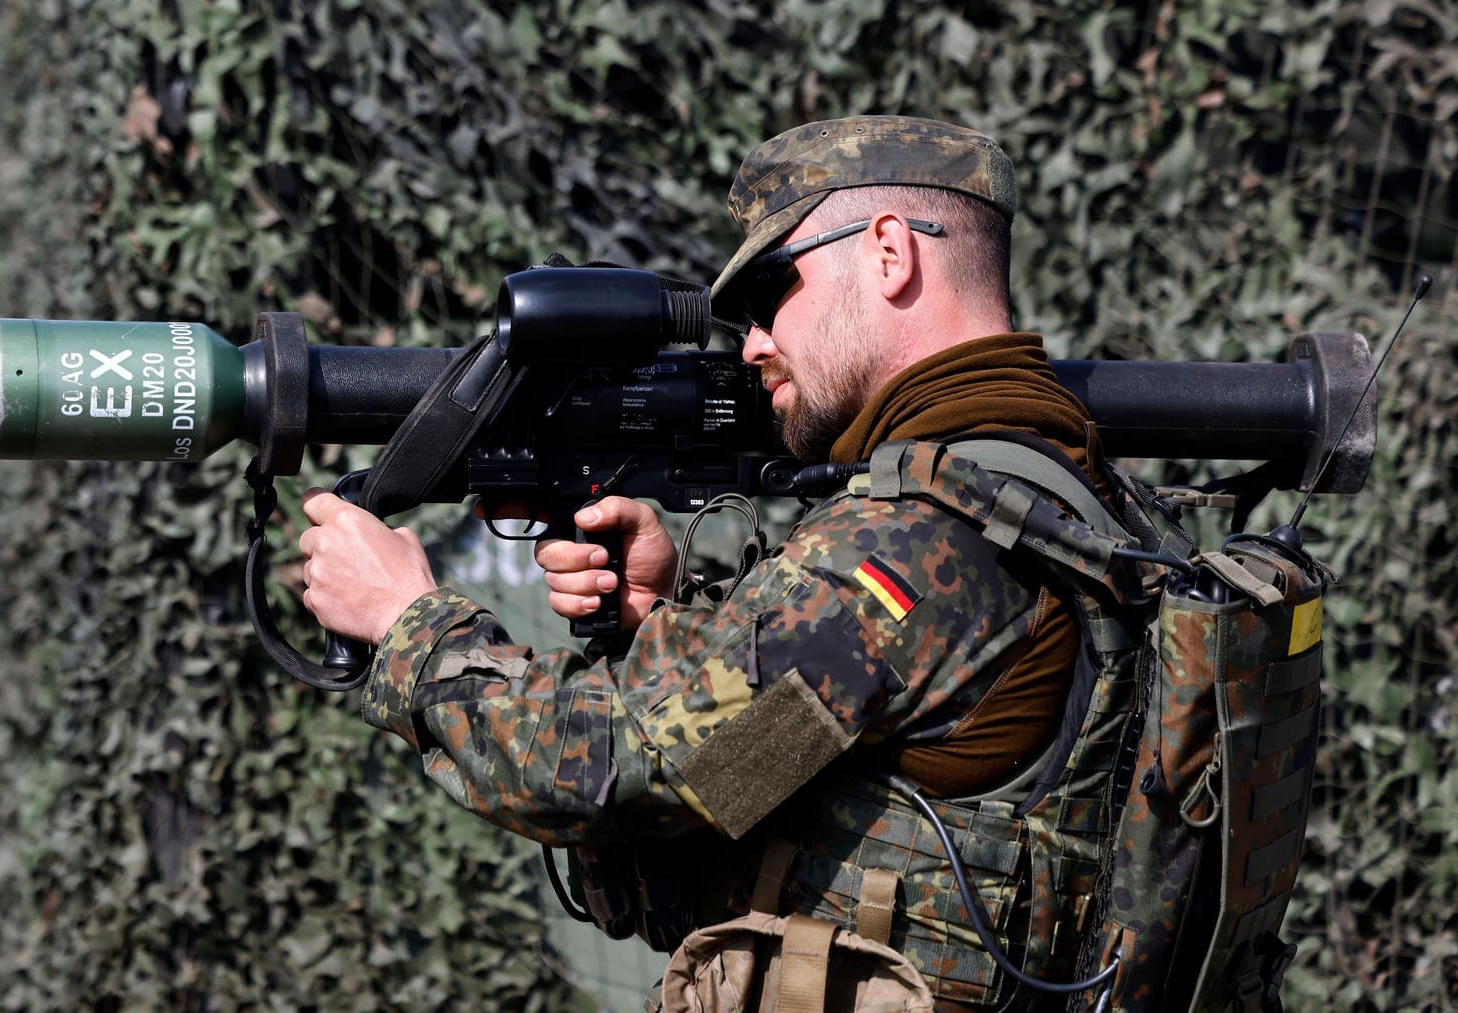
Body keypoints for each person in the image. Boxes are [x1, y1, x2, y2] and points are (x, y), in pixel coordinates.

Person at [298, 116, 1127, 1010]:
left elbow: (612, 770)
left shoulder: (919, 541)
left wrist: (406, 620)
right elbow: (741, 766)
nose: (752, 343)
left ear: (890, 253)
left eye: (773, 293)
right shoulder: (1060, 485)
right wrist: (661, 625)